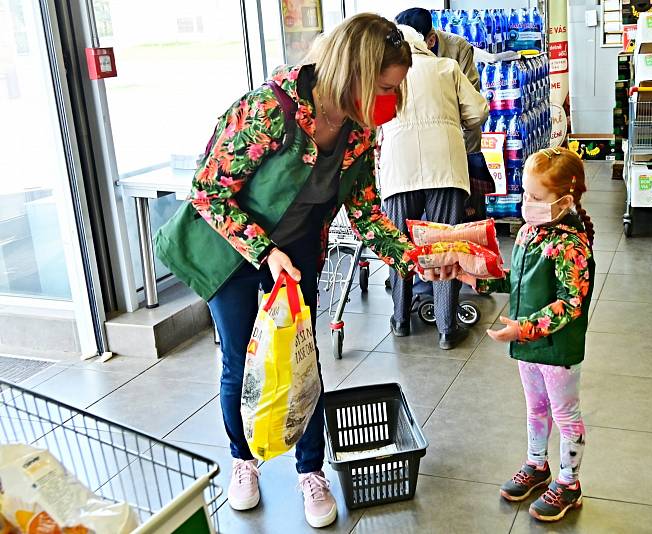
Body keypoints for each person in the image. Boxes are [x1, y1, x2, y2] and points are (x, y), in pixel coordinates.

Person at [154, 14, 415, 529]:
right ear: (355, 72)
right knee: (240, 359)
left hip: (296, 255)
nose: (390, 101)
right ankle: (243, 459)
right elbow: (209, 191)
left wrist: (418, 258)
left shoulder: (358, 132)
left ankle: (310, 470)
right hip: (230, 251)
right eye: (385, 87)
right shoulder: (268, 111)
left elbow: (363, 210)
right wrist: (262, 251)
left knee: (303, 361)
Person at [448, 148, 595, 522]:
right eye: (525, 193)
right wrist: (476, 275)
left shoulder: (571, 245)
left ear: (565, 200)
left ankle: (569, 484)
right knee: (535, 408)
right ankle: (536, 465)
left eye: (535, 197)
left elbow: (570, 304)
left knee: (565, 414)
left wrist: (522, 329)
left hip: (557, 349)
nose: (526, 203)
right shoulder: (531, 232)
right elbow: (518, 281)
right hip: (527, 345)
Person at [379, 25, 488, 350]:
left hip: (399, 169)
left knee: (400, 244)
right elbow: (479, 110)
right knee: (444, 244)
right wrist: (454, 125)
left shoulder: (383, 72)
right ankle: (445, 327)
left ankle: (400, 320)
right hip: (445, 166)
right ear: (425, 41)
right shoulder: (445, 67)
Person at [395, 8, 481, 155]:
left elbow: (474, 111)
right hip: (415, 144)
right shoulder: (395, 53)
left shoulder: (458, 50)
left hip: (459, 141)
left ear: (431, 40)